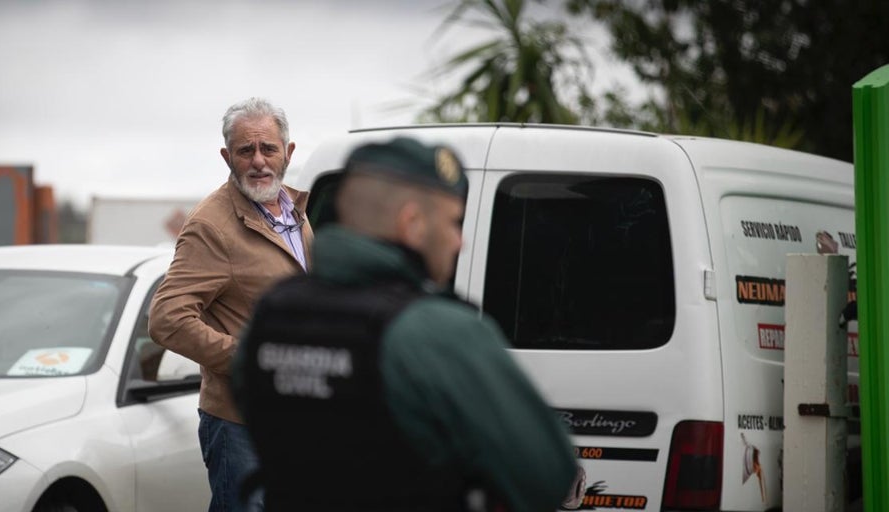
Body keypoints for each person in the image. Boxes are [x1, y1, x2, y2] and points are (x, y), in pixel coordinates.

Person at [232, 137, 577, 511]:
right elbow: (548, 476)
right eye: (453, 222)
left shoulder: (272, 314)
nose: (459, 241)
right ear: (412, 224)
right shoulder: (437, 331)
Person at [149, 97, 311, 512]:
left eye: (268, 149)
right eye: (245, 150)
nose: (258, 161)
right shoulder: (211, 225)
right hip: (240, 424)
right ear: (227, 157)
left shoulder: (296, 212)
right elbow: (167, 319)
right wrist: (250, 359)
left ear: (288, 153)